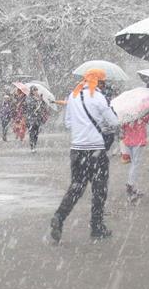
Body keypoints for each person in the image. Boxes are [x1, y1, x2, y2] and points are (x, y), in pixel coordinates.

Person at [49, 68, 119, 243]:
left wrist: (82, 128)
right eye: (103, 82)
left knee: (77, 187)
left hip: (77, 150)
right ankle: (96, 226)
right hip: (96, 149)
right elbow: (114, 123)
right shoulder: (99, 97)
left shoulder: (73, 96)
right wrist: (102, 124)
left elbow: (67, 123)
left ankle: (59, 216)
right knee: (99, 189)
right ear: (100, 82)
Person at [121, 105, 149, 203]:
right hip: (138, 141)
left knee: (134, 164)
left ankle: (132, 186)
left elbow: (122, 127)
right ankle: (130, 185)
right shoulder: (140, 113)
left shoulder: (125, 113)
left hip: (128, 141)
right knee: (135, 164)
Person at [24, 86, 49, 152]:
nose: (36, 92)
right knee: (31, 132)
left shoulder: (39, 98)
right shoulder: (29, 98)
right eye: (34, 90)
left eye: (36, 90)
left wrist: (41, 100)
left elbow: (43, 107)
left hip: (38, 118)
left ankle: (34, 144)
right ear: (31, 91)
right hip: (31, 118)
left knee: (36, 133)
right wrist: (36, 101)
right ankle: (32, 146)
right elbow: (30, 106)